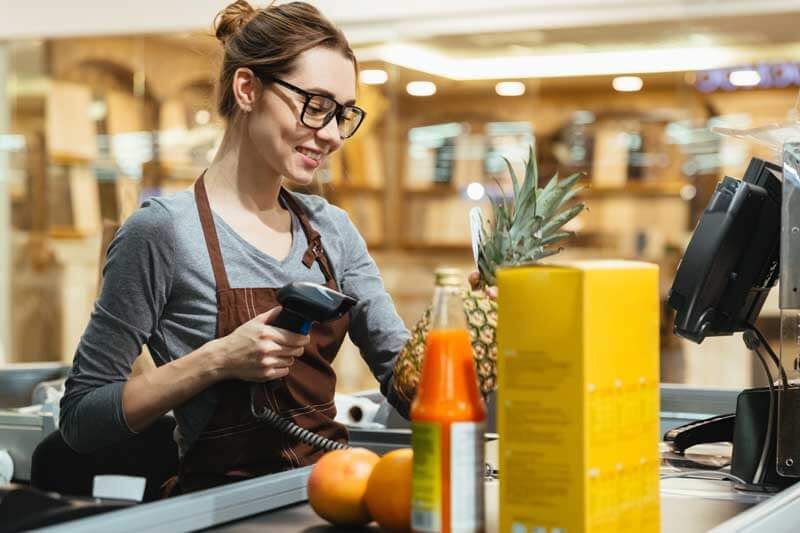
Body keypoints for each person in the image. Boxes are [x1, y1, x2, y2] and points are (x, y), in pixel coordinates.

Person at [59, 0, 485, 495]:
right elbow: (82, 419)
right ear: (247, 89)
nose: (330, 134)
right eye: (316, 105)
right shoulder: (162, 233)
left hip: (331, 496)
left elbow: (412, 395)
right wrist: (217, 359)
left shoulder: (333, 230)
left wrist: (464, 323)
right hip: (219, 509)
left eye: (343, 114)